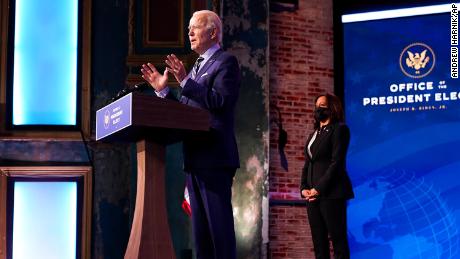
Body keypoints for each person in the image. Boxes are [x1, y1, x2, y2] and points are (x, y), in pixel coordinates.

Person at [140, 10, 240, 259]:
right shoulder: (195, 67)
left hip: (215, 159)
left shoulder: (225, 62)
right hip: (194, 160)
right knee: (201, 238)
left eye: (195, 27)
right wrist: (164, 92)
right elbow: (185, 112)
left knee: (219, 233)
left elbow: (220, 102)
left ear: (213, 32)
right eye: (188, 29)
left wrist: (185, 81)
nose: (189, 33)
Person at [300, 93, 354, 259]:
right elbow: (308, 164)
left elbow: (336, 163)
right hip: (312, 197)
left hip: (331, 194)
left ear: (332, 108)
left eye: (322, 105)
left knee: (338, 242)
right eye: (317, 106)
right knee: (319, 243)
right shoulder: (314, 134)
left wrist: (318, 189)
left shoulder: (339, 129)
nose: (318, 109)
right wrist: (304, 188)